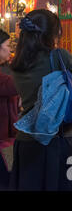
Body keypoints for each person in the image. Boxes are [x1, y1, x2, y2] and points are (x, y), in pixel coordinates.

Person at [9, 9, 72, 191]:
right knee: (64, 185)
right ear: (51, 34)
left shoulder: (16, 63)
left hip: (26, 142)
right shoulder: (59, 56)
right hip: (57, 141)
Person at [0, 30, 18, 190]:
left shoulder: (6, 69)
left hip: (8, 139)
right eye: (7, 46)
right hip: (3, 141)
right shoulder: (4, 79)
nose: (10, 50)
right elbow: (15, 85)